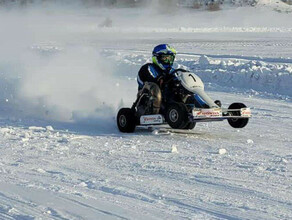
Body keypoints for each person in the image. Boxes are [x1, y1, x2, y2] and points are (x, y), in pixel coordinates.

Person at [136, 44, 177, 114]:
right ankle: (153, 113)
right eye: (165, 58)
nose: (168, 61)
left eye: (170, 59)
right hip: (148, 100)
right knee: (155, 87)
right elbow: (151, 79)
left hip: (167, 101)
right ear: (157, 58)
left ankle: (199, 106)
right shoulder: (148, 68)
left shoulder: (171, 71)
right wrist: (161, 79)